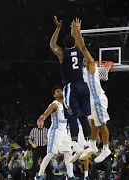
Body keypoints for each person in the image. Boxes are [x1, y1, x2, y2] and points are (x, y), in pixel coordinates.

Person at [49, 16, 92, 163]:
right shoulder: (80, 51)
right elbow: (80, 42)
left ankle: (75, 144)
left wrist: (58, 27)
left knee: (72, 115)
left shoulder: (62, 53)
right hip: (83, 86)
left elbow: (52, 44)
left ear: (65, 45)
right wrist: (76, 30)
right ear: (75, 43)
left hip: (71, 87)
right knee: (84, 116)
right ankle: (88, 143)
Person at [73, 18, 111, 163]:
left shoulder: (91, 65)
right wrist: (74, 33)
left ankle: (106, 148)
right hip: (90, 100)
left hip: (97, 98)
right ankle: (93, 146)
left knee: (101, 125)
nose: (82, 58)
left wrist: (78, 31)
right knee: (94, 124)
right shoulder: (82, 69)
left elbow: (82, 48)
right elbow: (78, 49)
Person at [35, 86, 75, 180]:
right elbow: (45, 114)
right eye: (57, 91)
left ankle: (70, 176)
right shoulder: (54, 105)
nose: (60, 92)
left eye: (61, 90)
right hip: (55, 131)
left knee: (68, 152)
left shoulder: (66, 104)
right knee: (50, 154)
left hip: (65, 131)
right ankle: (40, 175)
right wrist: (42, 118)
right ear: (54, 95)